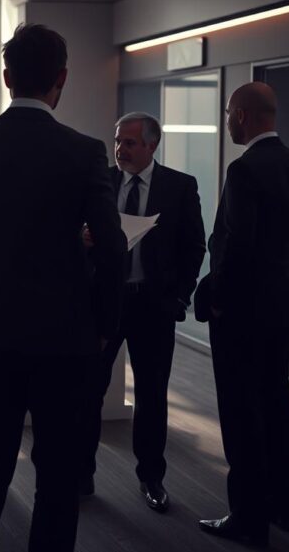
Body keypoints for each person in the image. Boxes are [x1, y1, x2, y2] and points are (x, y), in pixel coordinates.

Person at [0, 23, 126, 552]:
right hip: (65, 337)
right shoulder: (84, 151)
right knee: (58, 473)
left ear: (7, 76)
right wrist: (104, 325)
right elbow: (112, 248)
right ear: (62, 78)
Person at [195, 82, 289, 546]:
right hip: (284, 307)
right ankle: (283, 508)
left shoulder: (244, 169)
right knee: (276, 403)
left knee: (240, 412)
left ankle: (248, 519)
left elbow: (237, 245)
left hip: (242, 311)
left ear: (243, 115)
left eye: (228, 113)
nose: (227, 121)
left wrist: (215, 297)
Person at [79, 112, 206, 509]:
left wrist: (179, 298)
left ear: (152, 145)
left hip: (153, 305)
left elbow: (194, 246)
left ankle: (151, 477)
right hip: (103, 302)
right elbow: (72, 229)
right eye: (118, 141)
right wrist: (81, 238)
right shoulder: (100, 181)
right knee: (89, 389)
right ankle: (81, 474)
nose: (120, 149)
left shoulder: (179, 187)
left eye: (130, 143)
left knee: (152, 394)